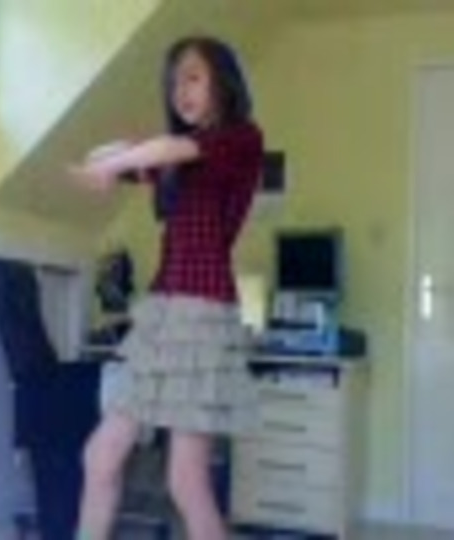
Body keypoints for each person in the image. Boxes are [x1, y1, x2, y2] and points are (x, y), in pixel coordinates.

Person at [70, 35, 264, 540]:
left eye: (194, 77)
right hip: (161, 316)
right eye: (175, 82)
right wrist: (109, 159)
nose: (181, 91)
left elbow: (168, 148)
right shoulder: (178, 160)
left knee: (186, 481)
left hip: (201, 315)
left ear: (224, 82)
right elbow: (128, 153)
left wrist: (113, 165)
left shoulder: (240, 138)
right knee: (100, 456)